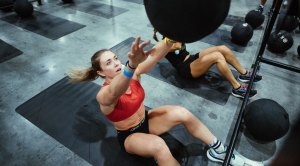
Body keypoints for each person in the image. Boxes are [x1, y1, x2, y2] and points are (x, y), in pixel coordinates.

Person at [67, 36, 257, 166]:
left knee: (182, 113)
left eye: (116, 58)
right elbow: (118, 89)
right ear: (100, 72)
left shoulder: (133, 73)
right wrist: (131, 65)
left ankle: (219, 150)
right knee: (160, 147)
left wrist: (170, 38)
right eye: (109, 63)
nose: (116, 63)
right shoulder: (104, 96)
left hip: (147, 121)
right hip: (130, 136)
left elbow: (155, 54)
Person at [152, 30, 262, 99]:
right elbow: (177, 46)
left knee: (222, 49)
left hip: (191, 58)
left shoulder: (172, 32)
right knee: (217, 57)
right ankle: (237, 88)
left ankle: (244, 73)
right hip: (186, 69)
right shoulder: (163, 44)